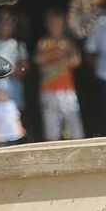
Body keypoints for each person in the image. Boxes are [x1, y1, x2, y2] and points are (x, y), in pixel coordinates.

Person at [35, 11, 84, 141]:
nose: (56, 27)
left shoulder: (68, 42)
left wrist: (63, 62)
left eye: (59, 24)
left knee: (74, 127)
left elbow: (77, 60)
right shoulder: (43, 42)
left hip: (67, 91)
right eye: (53, 24)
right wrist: (54, 54)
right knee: (51, 130)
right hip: (49, 91)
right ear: (48, 25)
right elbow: (37, 59)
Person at [0, 10, 30, 109]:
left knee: (13, 119)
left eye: (10, 21)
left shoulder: (19, 44)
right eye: (2, 20)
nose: (6, 24)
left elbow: (24, 66)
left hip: (13, 87)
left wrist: (19, 70)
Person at [0, 81, 26, 146]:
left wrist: (20, 128)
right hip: (1, 136)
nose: (2, 94)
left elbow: (16, 118)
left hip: (13, 134)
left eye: (4, 93)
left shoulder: (12, 104)